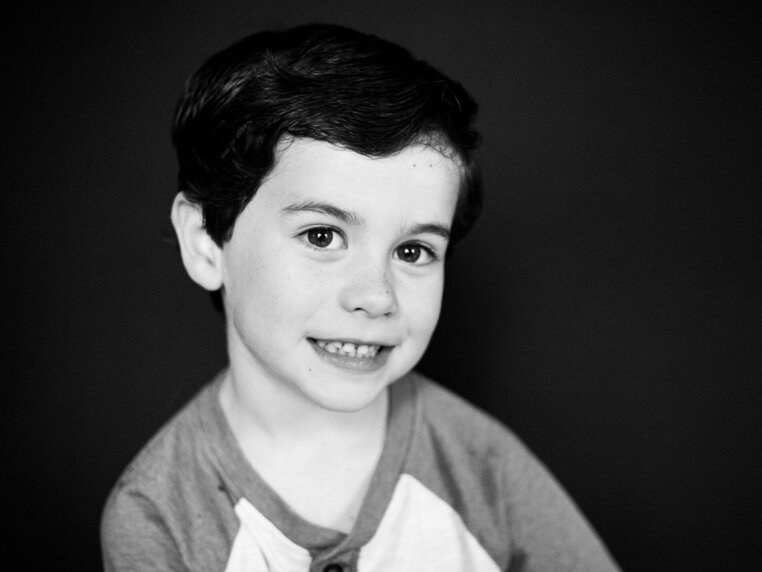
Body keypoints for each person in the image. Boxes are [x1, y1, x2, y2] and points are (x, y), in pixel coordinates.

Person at [101, 23, 620, 572]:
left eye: (414, 251)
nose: (376, 298)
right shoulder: (156, 514)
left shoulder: (483, 466)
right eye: (322, 236)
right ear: (206, 242)